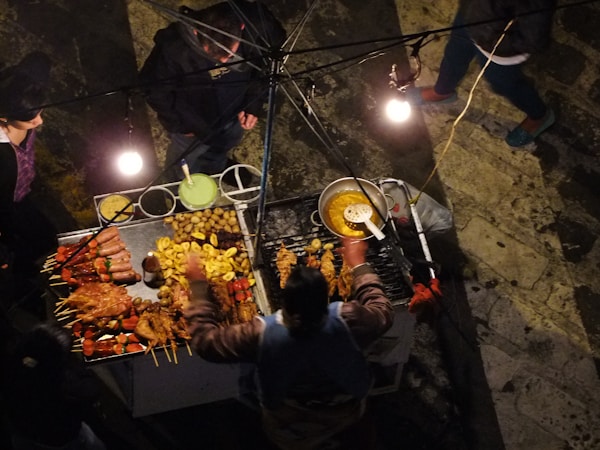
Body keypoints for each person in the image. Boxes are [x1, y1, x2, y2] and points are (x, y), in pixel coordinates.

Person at [184, 237, 394, 449]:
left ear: (285, 302)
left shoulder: (261, 333)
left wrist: (199, 288)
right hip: (345, 410)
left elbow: (205, 342)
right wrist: (358, 262)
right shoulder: (350, 319)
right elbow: (382, 308)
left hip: (289, 421)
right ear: (325, 300)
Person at [139, 0, 286, 180]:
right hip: (193, 119)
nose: (223, 62)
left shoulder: (261, 27)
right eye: (212, 54)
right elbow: (154, 90)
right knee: (184, 158)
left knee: (225, 143)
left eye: (230, 55)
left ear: (241, 27)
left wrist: (253, 104)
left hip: (235, 109)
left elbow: (267, 66)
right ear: (195, 31)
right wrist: (180, 126)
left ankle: (216, 166)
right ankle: (176, 186)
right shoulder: (173, 49)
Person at [413, 0, 557, 147]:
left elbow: (535, 37)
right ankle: (442, 91)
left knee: (503, 83)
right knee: (454, 53)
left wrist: (496, 42)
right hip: (470, 16)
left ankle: (539, 116)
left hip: (500, 50)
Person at [1, 322, 107, 450]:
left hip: (22, 434)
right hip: (61, 440)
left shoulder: (12, 365)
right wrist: (74, 364)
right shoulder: (64, 384)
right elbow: (93, 389)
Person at [0, 51, 58, 280]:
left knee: (46, 237)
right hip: (7, 204)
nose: (39, 122)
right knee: (25, 247)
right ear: (4, 117)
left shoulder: (20, 91)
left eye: (40, 112)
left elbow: (39, 61)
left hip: (24, 190)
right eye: (31, 119)